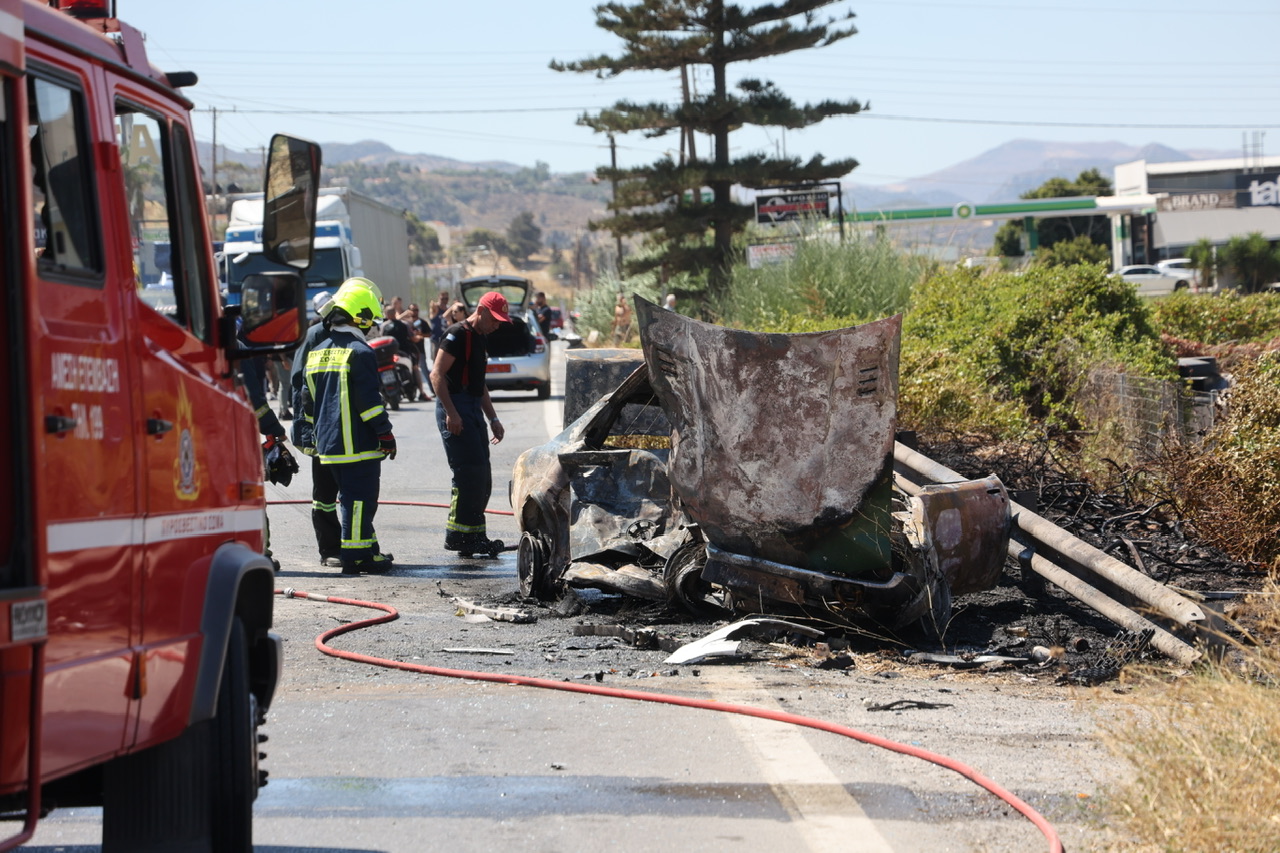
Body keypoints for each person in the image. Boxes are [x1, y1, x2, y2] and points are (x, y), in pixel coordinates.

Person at [301, 281, 397, 574]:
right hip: (358, 446)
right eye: (370, 320)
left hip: (328, 447)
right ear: (361, 317)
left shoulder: (316, 353)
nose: (371, 327)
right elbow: (368, 403)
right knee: (359, 502)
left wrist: (312, 437)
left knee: (351, 501)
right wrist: (385, 433)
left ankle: (366, 549)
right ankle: (357, 557)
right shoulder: (360, 352)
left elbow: (307, 402)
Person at [430, 291, 509, 557]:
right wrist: (451, 413)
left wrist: (493, 418)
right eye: (495, 319)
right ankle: (457, 537)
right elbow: (437, 375)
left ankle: (474, 536)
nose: (497, 325)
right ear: (482, 310)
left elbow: (480, 384)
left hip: (472, 407)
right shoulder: (457, 334)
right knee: (467, 474)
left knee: (482, 477)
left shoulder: (479, 338)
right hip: (455, 406)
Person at [381, 301, 430, 400]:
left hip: (388, 355)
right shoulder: (405, 325)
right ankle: (422, 392)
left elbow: (381, 338)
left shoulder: (383, 326)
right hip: (404, 353)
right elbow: (412, 338)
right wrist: (419, 337)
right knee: (416, 368)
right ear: (395, 313)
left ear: (386, 314)